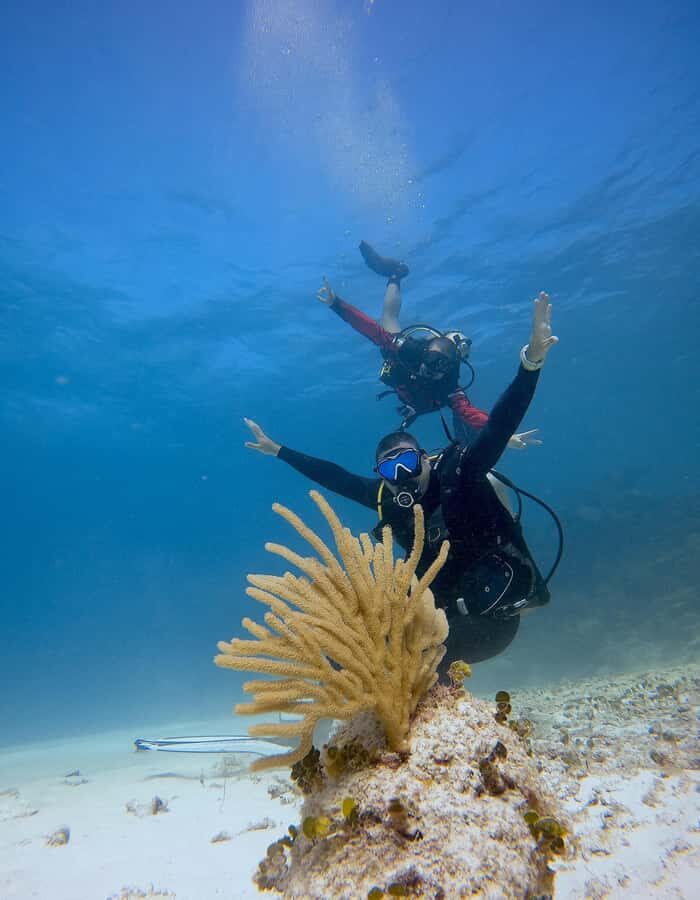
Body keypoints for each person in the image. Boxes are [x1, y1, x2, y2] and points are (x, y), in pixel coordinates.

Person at [244, 292, 558, 666]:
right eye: (391, 470)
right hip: (438, 618)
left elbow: (499, 424)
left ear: (426, 459)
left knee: (406, 662)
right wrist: (278, 449)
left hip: (492, 620)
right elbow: (336, 477)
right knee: (357, 655)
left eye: (408, 462)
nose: (403, 477)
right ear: (382, 477)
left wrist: (531, 362)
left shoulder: (461, 475)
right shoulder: (386, 496)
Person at [317, 240, 541, 450]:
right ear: (426, 352)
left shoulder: (450, 386)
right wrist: (336, 304)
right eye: (431, 361)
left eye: (440, 366)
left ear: (450, 367)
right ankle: (396, 273)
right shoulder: (410, 349)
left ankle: (395, 275)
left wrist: (505, 436)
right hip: (401, 360)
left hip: (414, 394)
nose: (430, 369)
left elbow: (469, 413)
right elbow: (371, 330)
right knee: (388, 318)